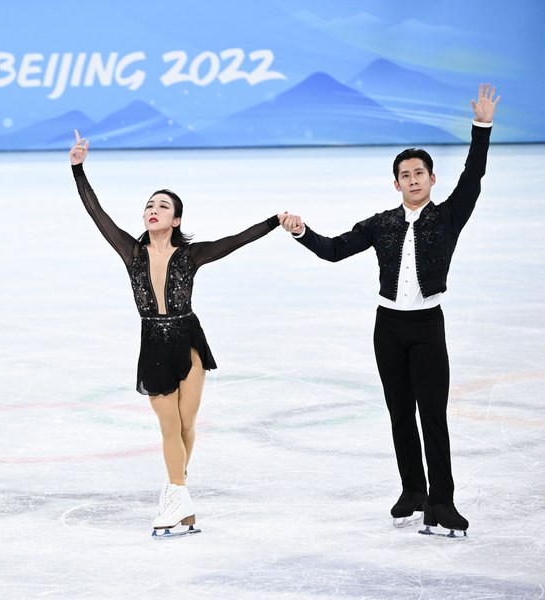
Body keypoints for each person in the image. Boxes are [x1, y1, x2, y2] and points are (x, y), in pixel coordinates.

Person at [279, 84, 501, 535]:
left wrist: (482, 127)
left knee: (432, 415)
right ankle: (412, 490)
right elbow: (335, 250)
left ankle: (442, 501)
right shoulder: (381, 224)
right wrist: (303, 233)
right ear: (396, 182)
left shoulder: (449, 216)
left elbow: (473, 177)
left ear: (432, 179)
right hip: (388, 328)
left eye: (420, 172)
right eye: (405, 174)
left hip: (426, 326)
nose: (413, 179)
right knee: (400, 411)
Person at [70, 130, 284, 534]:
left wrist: (274, 221)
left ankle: (178, 497)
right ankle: (177, 494)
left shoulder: (191, 254)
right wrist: (78, 168)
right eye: (149, 205)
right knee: (170, 427)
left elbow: (236, 240)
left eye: (162, 206)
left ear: (176, 219)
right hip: (153, 343)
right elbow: (96, 212)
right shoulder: (131, 252)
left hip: (188, 340)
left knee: (186, 424)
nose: (153, 210)